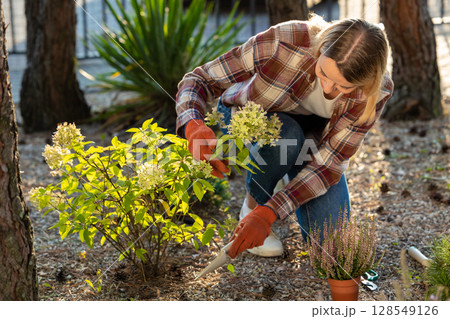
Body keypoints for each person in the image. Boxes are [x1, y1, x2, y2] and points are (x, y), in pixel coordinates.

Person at [175, 15, 394, 259]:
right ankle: (251, 206)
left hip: (313, 142)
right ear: (321, 47)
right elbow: (199, 80)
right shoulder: (285, 41)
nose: (328, 89)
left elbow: (328, 165)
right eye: (323, 72)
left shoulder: (375, 91)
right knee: (286, 134)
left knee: (330, 248)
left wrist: (271, 213)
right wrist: (193, 125)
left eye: (342, 87)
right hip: (251, 117)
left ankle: (274, 180)